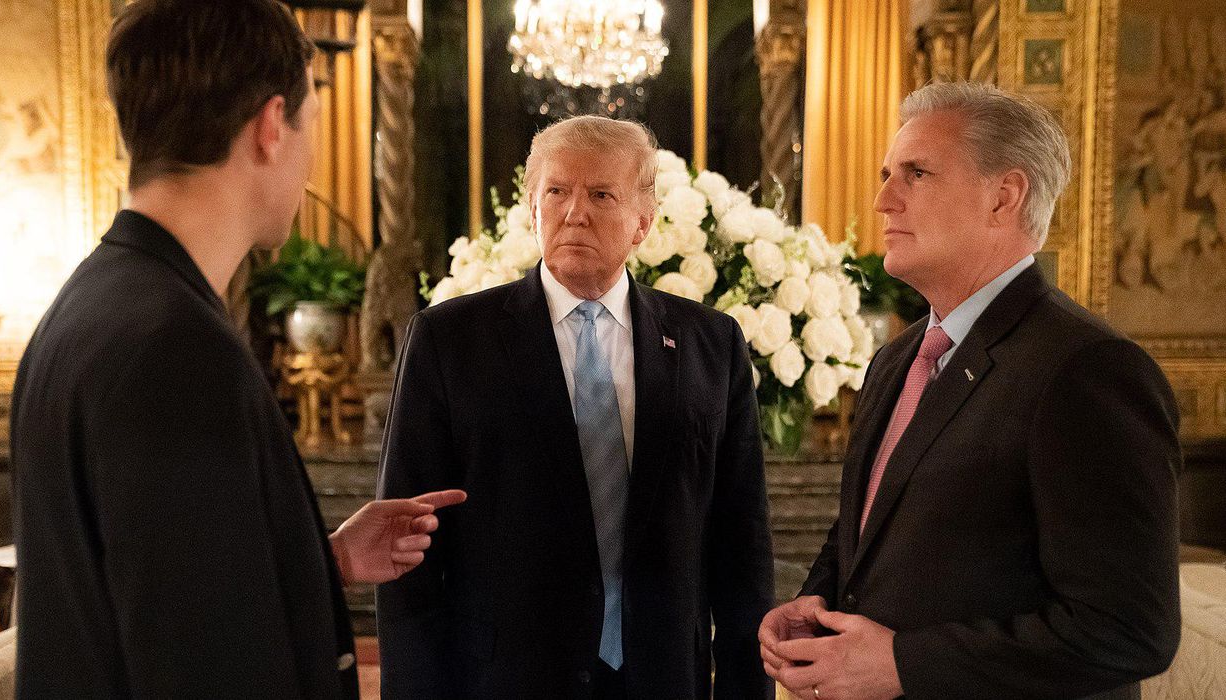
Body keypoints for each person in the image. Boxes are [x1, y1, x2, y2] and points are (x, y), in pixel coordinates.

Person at [9, 1, 464, 696]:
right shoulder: (175, 349)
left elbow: (162, 586)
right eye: (310, 123)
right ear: (271, 126)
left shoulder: (91, 304)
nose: (309, 162)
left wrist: (324, 559)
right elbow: (205, 663)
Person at [759, 82, 1181, 700]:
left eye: (916, 174)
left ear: (1004, 196)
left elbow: (1128, 629)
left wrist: (903, 664)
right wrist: (814, 602)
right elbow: (876, 529)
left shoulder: (1088, 370)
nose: (882, 200)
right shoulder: (896, 359)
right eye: (886, 174)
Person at [376, 115, 775, 698]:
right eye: (557, 191)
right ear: (532, 207)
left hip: (662, 679)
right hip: (504, 679)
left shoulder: (710, 344)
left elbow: (742, 547)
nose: (574, 211)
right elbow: (408, 541)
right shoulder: (451, 340)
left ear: (644, 220)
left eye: (601, 194)